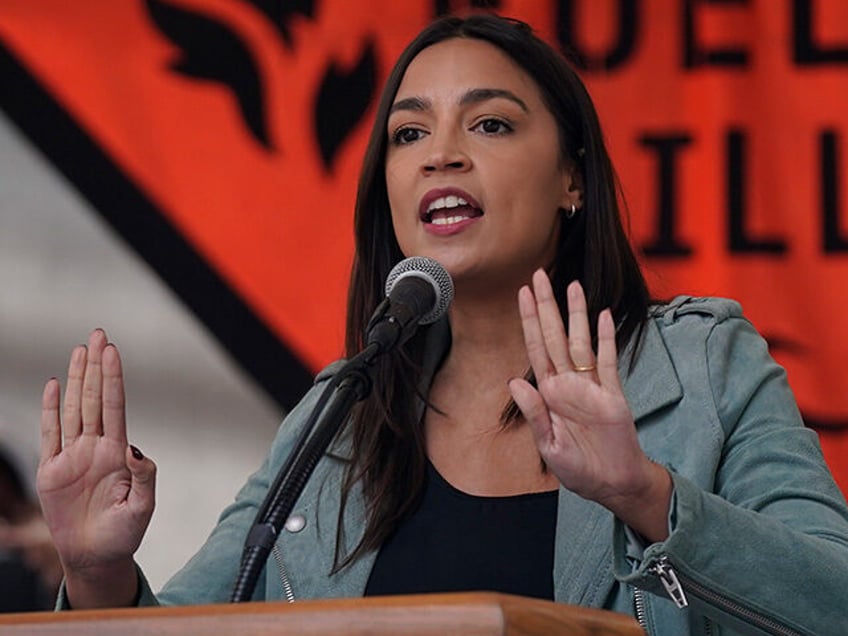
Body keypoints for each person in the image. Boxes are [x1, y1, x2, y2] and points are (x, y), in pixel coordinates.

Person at [36, 13, 848, 635]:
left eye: (489, 124)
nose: (441, 155)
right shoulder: (344, 414)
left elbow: (833, 601)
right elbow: (201, 621)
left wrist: (646, 496)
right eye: (409, 133)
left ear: (573, 178)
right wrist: (97, 570)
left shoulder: (705, 365)